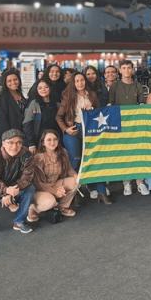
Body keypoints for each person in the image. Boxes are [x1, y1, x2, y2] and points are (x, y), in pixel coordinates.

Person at [57, 72, 109, 203]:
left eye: (82, 80)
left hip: (90, 131)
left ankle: (102, 192)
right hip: (74, 130)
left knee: (96, 160)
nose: (80, 83)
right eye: (77, 81)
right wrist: (66, 129)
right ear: (73, 83)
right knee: (75, 161)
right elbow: (58, 116)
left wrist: (91, 110)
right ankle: (72, 195)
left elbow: (99, 113)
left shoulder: (91, 95)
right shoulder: (68, 97)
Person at [108, 60, 149, 196]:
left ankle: (140, 182)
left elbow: (142, 104)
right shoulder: (114, 86)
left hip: (135, 125)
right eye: (123, 68)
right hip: (120, 124)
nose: (126, 70)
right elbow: (111, 104)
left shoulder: (138, 86)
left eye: (129, 68)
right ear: (120, 70)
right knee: (124, 153)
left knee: (138, 152)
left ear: (132, 70)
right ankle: (126, 182)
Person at [27, 130, 78, 221]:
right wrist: (55, 191)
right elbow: (37, 183)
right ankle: (33, 209)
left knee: (76, 181)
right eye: (49, 140)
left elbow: (69, 169)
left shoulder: (63, 152)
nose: (52, 142)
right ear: (43, 142)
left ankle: (62, 207)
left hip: (55, 183)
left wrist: (75, 175)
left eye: (55, 139)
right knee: (50, 201)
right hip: (39, 189)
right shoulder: (38, 158)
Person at [23, 79, 59, 153]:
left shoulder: (57, 104)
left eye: (46, 87)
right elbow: (27, 124)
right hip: (38, 140)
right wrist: (31, 143)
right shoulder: (34, 104)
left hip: (54, 140)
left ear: (50, 88)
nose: (43, 90)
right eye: (40, 88)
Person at [0, 69, 27, 147]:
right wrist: (10, 138)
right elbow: (2, 120)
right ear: (5, 83)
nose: (13, 82)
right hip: (9, 138)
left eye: (15, 79)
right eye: (9, 81)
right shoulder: (2, 98)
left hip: (21, 134)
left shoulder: (19, 94)